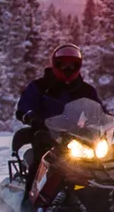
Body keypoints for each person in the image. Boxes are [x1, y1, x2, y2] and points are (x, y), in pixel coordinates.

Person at [14, 44, 104, 202]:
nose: (68, 68)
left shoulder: (85, 90)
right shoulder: (40, 87)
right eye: (63, 64)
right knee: (40, 159)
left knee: (103, 161)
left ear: (78, 66)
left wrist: (104, 120)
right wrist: (31, 117)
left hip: (77, 136)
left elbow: (98, 109)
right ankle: (29, 201)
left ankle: (110, 196)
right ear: (55, 64)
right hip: (46, 134)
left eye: (72, 65)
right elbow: (24, 107)